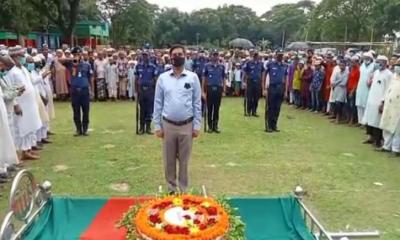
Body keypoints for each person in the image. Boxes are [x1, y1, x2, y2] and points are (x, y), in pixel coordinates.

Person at [153, 44, 202, 194]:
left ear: (185, 56)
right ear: (170, 57)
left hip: (187, 125)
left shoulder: (193, 78)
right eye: (174, 54)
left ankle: (184, 190)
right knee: (169, 160)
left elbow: (197, 102)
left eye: (180, 54)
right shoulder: (163, 78)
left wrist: (197, 125)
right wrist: (157, 125)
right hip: (168, 125)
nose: (177, 57)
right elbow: (158, 102)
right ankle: (171, 189)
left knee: (184, 161)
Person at [8, 46, 42, 160]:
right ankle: (23, 151)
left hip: (30, 103)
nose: (23, 58)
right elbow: (10, 89)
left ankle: (28, 149)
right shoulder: (11, 72)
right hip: (21, 104)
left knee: (30, 127)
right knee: (22, 128)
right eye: (21, 56)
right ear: (14, 57)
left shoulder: (23, 69)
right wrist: (15, 104)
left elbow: (31, 83)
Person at [362, 55, 393, 147]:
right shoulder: (375, 72)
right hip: (371, 99)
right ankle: (370, 137)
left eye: (380, 62)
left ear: (385, 63)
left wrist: (383, 102)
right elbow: (370, 84)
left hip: (379, 101)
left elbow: (388, 89)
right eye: (377, 61)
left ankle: (378, 141)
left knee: (377, 121)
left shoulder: (388, 74)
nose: (377, 63)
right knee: (369, 120)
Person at [378, 59, 400, 156]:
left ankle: (395, 149)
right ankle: (386, 146)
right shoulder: (394, 76)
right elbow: (388, 89)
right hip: (389, 104)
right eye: (396, 65)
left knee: (396, 129)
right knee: (386, 125)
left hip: (398, 107)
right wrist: (383, 101)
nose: (397, 67)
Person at [263, 50, 288, 132]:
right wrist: (264, 88)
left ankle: (274, 125)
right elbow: (264, 75)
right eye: (278, 55)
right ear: (275, 55)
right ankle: (268, 126)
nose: (280, 57)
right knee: (270, 107)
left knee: (277, 108)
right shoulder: (270, 64)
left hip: (280, 88)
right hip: (272, 87)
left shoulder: (285, 65)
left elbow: (286, 78)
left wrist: (286, 91)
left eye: (281, 55)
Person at [70, 48, 92, 136]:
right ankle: (78, 129)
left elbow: (90, 78)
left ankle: (85, 129)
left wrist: (92, 90)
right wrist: (74, 64)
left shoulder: (87, 65)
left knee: (86, 111)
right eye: (75, 54)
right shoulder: (71, 65)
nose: (77, 56)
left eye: (78, 54)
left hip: (84, 90)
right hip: (75, 91)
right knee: (76, 111)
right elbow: (58, 60)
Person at [135, 51, 158, 135]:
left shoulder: (153, 66)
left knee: (149, 109)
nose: (145, 57)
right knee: (142, 109)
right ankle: (141, 127)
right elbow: (136, 79)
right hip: (141, 90)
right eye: (143, 56)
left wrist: (154, 89)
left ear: (149, 57)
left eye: (146, 56)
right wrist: (136, 91)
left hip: (150, 90)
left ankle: (148, 127)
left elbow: (155, 79)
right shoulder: (138, 66)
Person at [203, 50, 225, 133]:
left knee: (216, 108)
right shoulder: (207, 66)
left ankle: (215, 126)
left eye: (217, 55)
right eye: (214, 55)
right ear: (211, 56)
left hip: (218, 88)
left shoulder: (222, 66)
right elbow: (204, 78)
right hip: (210, 88)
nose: (215, 57)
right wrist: (203, 90)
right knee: (209, 108)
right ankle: (210, 126)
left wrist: (224, 89)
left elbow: (223, 78)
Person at [356, 52, 375, 125]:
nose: (366, 59)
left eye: (367, 57)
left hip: (368, 88)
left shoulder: (373, 66)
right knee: (359, 105)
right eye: (365, 57)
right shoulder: (362, 65)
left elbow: (375, 76)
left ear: (370, 58)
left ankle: (365, 122)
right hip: (360, 87)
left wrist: (371, 81)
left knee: (365, 105)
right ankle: (359, 121)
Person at [244, 51, 264, 117]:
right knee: (249, 97)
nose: (256, 57)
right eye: (255, 55)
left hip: (258, 82)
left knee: (256, 98)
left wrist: (262, 81)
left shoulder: (261, 63)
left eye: (257, 55)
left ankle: (254, 111)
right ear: (253, 56)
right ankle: (249, 111)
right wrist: (245, 82)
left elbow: (262, 72)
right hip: (250, 81)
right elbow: (245, 72)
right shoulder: (249, 63)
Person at [346, 56, 360, 125]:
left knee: (352, 105)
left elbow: (357, 82)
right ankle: (348, 118)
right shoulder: (351, 69)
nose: (352, 63)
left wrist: (352, 91)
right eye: (351, 61)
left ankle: (352, 119)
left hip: (353, 90)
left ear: (357, 62)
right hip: (348, 88)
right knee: (348, 105)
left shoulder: (358, 70)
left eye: (353, 61)